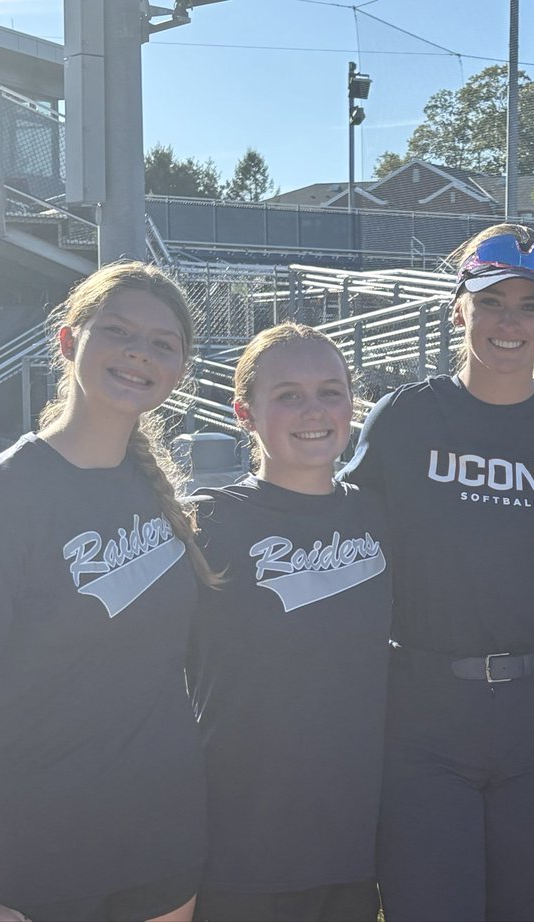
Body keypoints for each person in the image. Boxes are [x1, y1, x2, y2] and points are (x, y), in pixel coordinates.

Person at [0, 261, 214, 922]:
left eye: (162, 343)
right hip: (37, 859)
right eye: (117, 330)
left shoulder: (153, 489)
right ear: (68, 341)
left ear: (179, 370)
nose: (138, 352)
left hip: (162, 840)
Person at [339, 223, 534, 921]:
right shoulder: (408, 418)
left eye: (531, 306)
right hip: (425, 712)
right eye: (491, 301)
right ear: (458, 308)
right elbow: (342, 533)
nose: (509, 323)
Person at [185, 322, 392, 922]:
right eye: (288, 395)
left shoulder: (382, 516)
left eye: (330, 392)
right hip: (239, 849)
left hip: (353, 847)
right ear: (244, 412)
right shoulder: (203, 524)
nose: (314, 410)